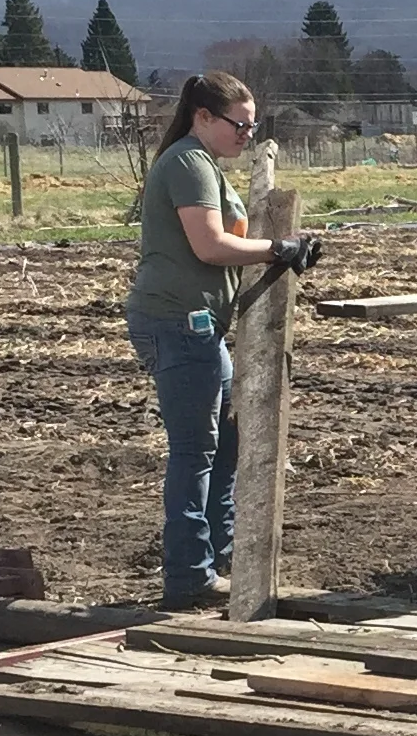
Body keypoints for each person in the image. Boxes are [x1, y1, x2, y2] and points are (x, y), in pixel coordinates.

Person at [126, 72, 322, 608]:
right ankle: (189, 577)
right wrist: (274, 251)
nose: (246, 133)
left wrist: (283, 242)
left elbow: (235, 236)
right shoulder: (188, 163)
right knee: (196, 451)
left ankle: (219, 559)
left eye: (252, 125)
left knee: (227, 440)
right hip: (178, 322)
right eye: (238, 124)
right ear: (204, 117)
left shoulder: (206, 165)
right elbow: (211, 247)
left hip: (198, 324)